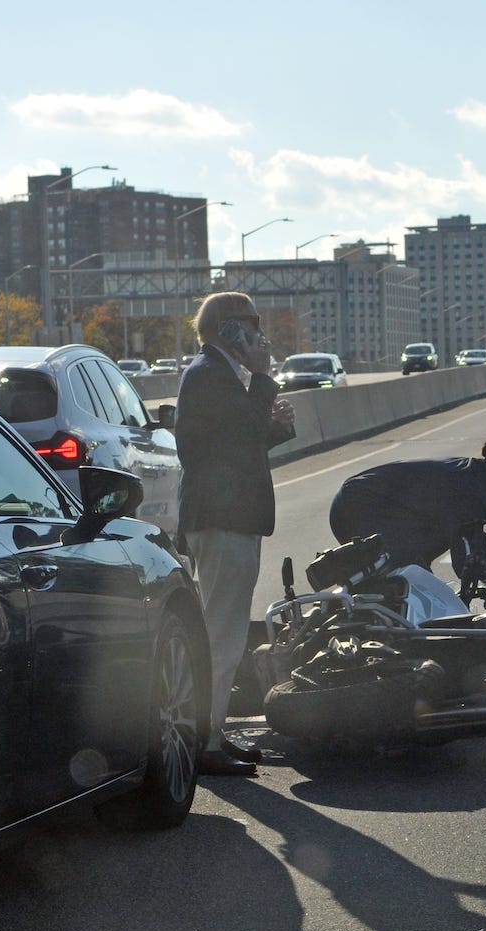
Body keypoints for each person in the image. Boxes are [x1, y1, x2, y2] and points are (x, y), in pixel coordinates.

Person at [175, 292, 296, 776]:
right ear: (229, 329)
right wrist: (263, 378)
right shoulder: (209, 373)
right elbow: (230, 440)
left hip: (230, 517)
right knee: (221, 637)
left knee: (222, 633)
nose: (260, 333)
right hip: (222, 519)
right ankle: (203, 741)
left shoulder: (216, 374)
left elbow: (236, 444)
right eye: (253, 323)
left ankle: (211, 732)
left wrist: (275, 427)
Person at [327, 441, 486, 579]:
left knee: (413, 579)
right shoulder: (470, 490)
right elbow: (471, 561)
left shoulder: (474, 478)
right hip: (358, 505)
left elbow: (472, 555)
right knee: (411, 580)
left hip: (357, 500)